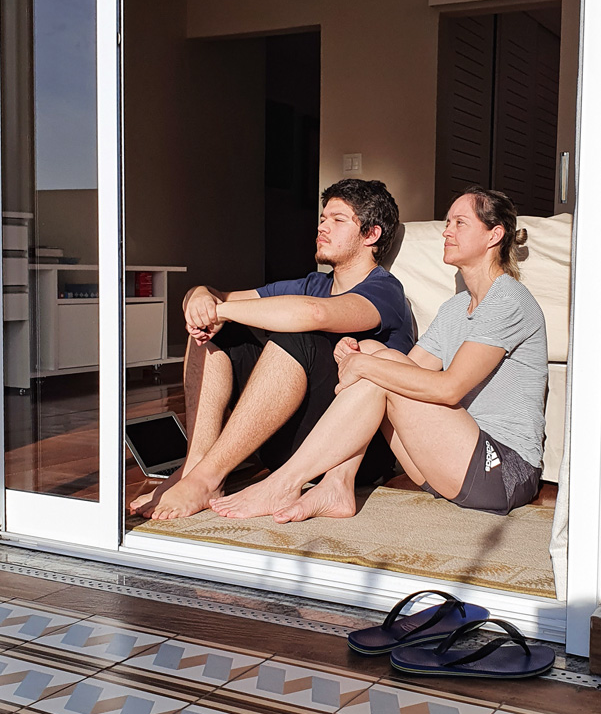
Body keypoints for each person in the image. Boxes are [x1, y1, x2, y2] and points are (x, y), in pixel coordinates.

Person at [210, 187, 548, 523]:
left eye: (460, 223)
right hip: (446, 465)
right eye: (447, 222)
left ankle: (283, 483)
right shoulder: (456, 308)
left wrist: (365, 365)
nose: (446, 231)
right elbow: (406, 370)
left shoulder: (508, 299)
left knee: (374, 362)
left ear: (495, 235)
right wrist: (357, 356)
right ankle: (337, 485)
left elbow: (449, 388)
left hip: (501, 472)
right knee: (374, 352)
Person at [129, 178, 414, 520]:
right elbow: (216, 297)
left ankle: (207, 477)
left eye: (338, 220)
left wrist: (219, 309)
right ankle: (197, 468)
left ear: (371, 235)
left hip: (345, 453)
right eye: (323, 218)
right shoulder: (313, 283)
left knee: (301, 333)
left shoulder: (385, 291)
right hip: (285, 441)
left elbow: (314, 313)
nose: (322, 227)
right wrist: (202, 297)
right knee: (213, 334)